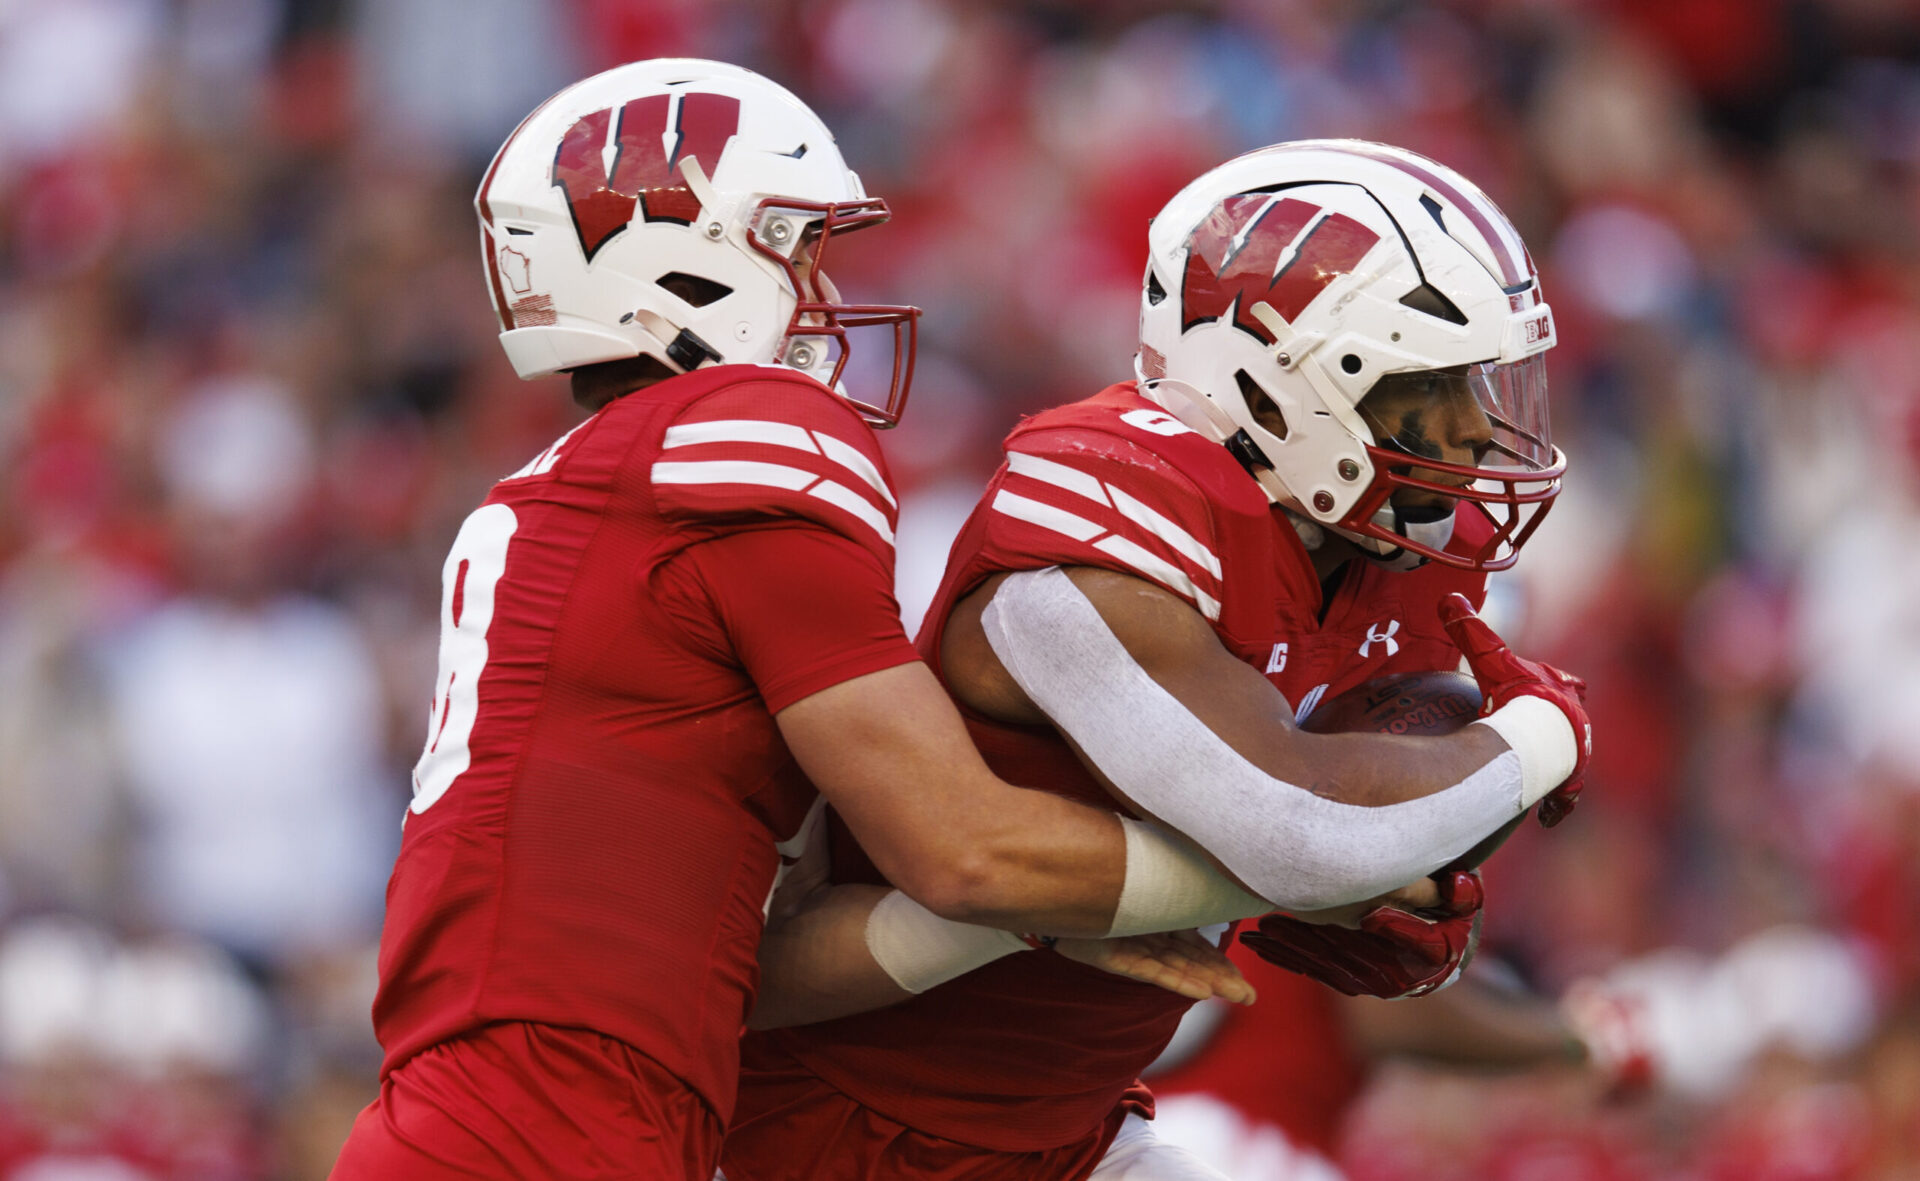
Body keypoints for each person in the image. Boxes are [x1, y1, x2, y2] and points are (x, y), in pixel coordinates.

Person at [328, 58, 1282, 1181]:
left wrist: (1043, 910)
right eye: (796, 251)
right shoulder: (736, 432)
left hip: (522, 1113)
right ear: (677, 264)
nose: (824, 302)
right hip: (551, 1126)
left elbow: (751, 955)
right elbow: (964, 844)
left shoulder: (581, 492)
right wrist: (1285, 856)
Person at [725, 140, 1591, 1180]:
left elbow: (1338, 842)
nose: (1469, 431)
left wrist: (1391, 889)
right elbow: (1297, 827)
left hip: (1076, 1123)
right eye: (1429, 387)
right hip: (839, 1129)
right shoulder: (1111, 512)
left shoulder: (1375, 553)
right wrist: (1546, 733)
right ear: (1277, 389)